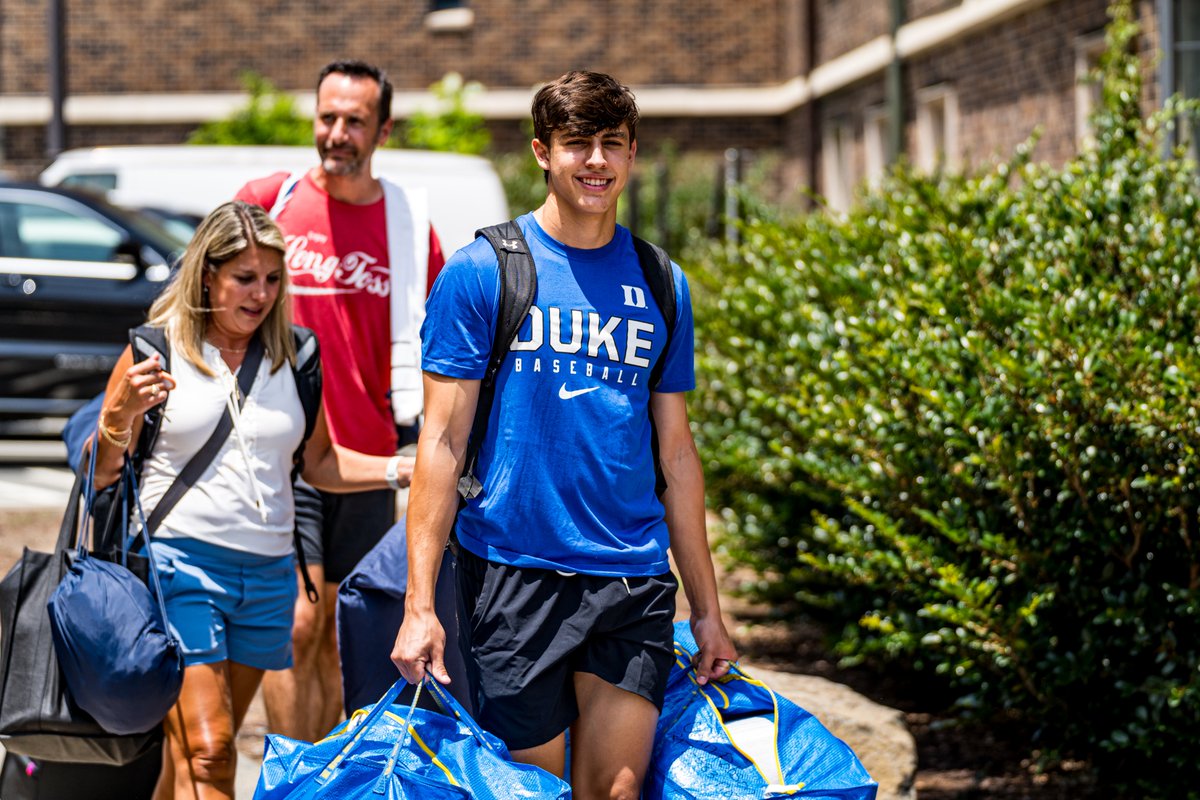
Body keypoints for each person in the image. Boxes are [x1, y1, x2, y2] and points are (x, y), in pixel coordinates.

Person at [390, 71, 739, 800]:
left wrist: (707, 611)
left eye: (613, 144)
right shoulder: (485, 271)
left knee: (614, 792)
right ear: (543, 152)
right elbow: (442, 445)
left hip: (631, 575)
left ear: (633, 154)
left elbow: (676, 453)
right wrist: (419, 605)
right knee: (531, 792)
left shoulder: (662, 282)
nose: (597, 162)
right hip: (516, 572)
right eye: (578, 144)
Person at [89, 201, 407, 799]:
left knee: (192, 753)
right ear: (208, 274)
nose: (260, 294)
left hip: (266, 579)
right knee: (210, 752)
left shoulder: (299, 356)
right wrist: (119, 415)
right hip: (178, 565)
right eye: (244, 278)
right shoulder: (156, 350)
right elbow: (102, 471)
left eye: (271, 279)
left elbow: (319, 464)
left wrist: (402, 470)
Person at [235, 59, 444, 742]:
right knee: (296, 622)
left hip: (365, 459)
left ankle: (317, 772)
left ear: (382, 128)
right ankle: (288, 767)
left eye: (355, 121)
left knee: (338, 634)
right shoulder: (271, 201)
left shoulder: (409, 225)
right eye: (328, 117)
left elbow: (445, 344)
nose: (338, 133)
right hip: (276, 455)